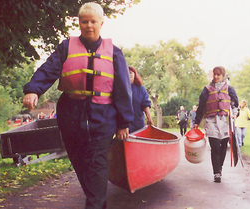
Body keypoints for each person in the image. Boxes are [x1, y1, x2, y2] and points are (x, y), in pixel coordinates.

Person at [22, 2, 134, 209]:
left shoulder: (114, 53)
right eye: (84, 21)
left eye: (93, 21)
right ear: (79, 23)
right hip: (71, 118)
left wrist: (123, 123)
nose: (89, 25)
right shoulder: (66, 47)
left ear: (101, 23)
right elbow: (48, 70)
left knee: (97, 167)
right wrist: (33, 90)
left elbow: (123, 91)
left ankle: (96, 204)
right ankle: (97, 200)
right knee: (82, 166)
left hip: (103, 119)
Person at [193, 66, 238, 183]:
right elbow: (201, 106)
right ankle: (216, 173)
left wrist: (235, 114)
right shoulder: (207, 89)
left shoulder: (229, 89)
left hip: (225, 121)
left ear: (223, 76)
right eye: (214, 74)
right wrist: (197, 122)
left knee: (223, 147)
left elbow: (235, 105)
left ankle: (220, 168)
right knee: (215, 147)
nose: (216, 77)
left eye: (218, 75)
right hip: (211, 121)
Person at [128, 66, 154, 133]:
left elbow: (145, 104)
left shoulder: (141, 88)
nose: (129, 74)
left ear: (135, 74)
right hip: (125, 125)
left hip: (138, 124)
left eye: (131, 72)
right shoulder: (120, 88)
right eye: (127, 72)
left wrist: (149, 118)